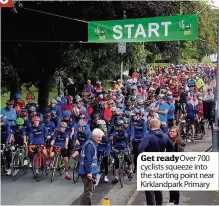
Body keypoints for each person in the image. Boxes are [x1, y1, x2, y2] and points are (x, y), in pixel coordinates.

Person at [138, 119, 174, 205]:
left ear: (150, 125)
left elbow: (140, 149)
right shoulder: (165, 136)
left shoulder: (148, 137)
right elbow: (171, 147)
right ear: (159, 126)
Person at [78, 128, 104, 205]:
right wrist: (89, 172)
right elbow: (88, 160)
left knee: (88, 191)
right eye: (98, 137)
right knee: (88, 192)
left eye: (101, 137)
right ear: (93, 136)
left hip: (89, 170)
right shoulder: (90, 146)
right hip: (88, 171)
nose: (100, 139)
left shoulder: (90, 143)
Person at [168, 126, 183, 205]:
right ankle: (171, 200)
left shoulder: (178, 143)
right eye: (170, 131)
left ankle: (176, 202)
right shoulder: (169, 140)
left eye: (173, 132)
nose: (171, 133)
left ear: (177, 133)